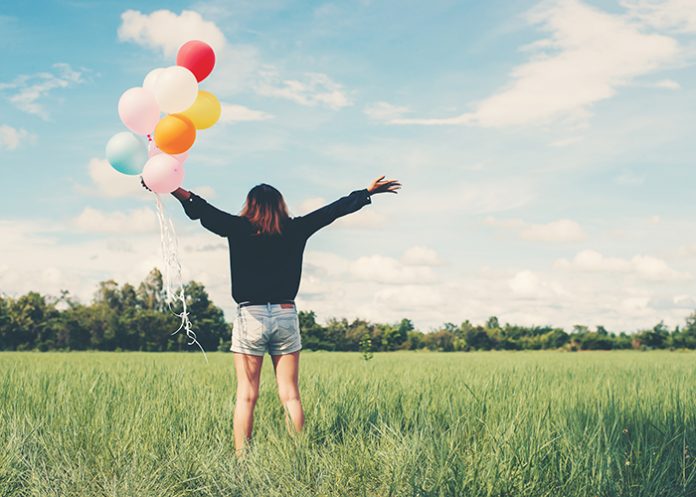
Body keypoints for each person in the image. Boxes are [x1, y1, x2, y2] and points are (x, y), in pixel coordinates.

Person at [143, 175, 401, 455]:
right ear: (280, 206)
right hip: (285, 315)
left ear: (250, 205)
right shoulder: (296, 228)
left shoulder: (236, 227)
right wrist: (366, 192)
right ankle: (298, 457)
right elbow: (332, 211)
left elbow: (200, 208)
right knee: (290, 394)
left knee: (246, 395)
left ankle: (242, 462)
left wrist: (169, 186)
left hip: (250, 318)